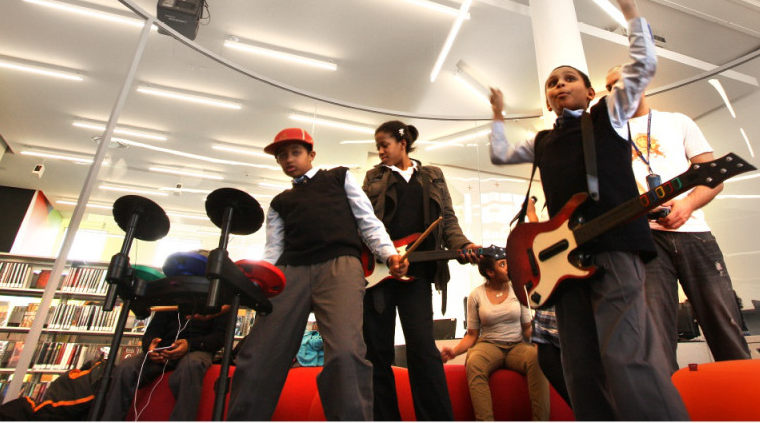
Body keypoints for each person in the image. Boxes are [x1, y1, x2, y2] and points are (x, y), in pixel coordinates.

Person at [488, 0, 688, 420]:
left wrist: (629, 9)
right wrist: (499, 115)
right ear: (547, 100)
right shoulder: (542, 140)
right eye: (552, 83)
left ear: (590, 91)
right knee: (578, 365)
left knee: (626, 356)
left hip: (614, 247)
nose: (560, 85)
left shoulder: (607, 117)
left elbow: (643, 66)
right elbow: (500, 153)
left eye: (569, 79)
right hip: (563, 262)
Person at [225, 127, 406, 421]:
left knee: (346, 354)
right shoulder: (279, 202)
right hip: (289, 273)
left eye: (295, 152)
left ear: (312, 154)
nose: (288, 159)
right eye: (281, 156)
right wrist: (260, 279)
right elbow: (273, 250)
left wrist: (389, 254)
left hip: (340, 267)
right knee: (257, 355)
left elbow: (367, 220)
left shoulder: (339, 177)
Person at [603, 66, 751, 374]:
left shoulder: (678, 122)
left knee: (725, 324)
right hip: (644, 242)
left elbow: (714, 178)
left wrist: (686, 204)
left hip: (695, 233)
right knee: (656, 336)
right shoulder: (607, 137)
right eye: (611, 85)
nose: (618, 88)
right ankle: (667, 401)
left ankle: (744, 394)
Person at [362, 120, 478, 421]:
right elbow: (365, 223)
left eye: (384, 145)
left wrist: (464, 245)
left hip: (419, 275)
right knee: (377, 353)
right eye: (378, 146)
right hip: (379, 275)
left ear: (402, 143)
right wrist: (387, 255)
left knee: (424, 351)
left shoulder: (432, 176)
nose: (380, 151)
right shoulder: (373, 176)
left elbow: (448, 220)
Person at [440, 253, 550, 421]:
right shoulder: (476, 295)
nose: (508, 268)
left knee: (537, 357)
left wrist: (543, 344)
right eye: (502, 264)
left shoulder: (519, 290)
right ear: (490, 272)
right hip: (488, 345)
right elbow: (472, 335)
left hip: (516, 345)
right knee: (474, 361)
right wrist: (454, 352)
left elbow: (527, 328)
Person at [99, 306, 227, 420]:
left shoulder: (221, 302)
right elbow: (153, 330)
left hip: (196, 349)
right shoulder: (172, 299)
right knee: (126, 368)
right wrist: (150, 346)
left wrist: (189, 345)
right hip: (163, 350)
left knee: (191, 367)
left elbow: (220, 338)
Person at [524, 197, 573, 412]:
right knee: (547, 357)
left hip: (570, 281)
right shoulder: (549, 201)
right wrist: (530, 213)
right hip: (551, 291)